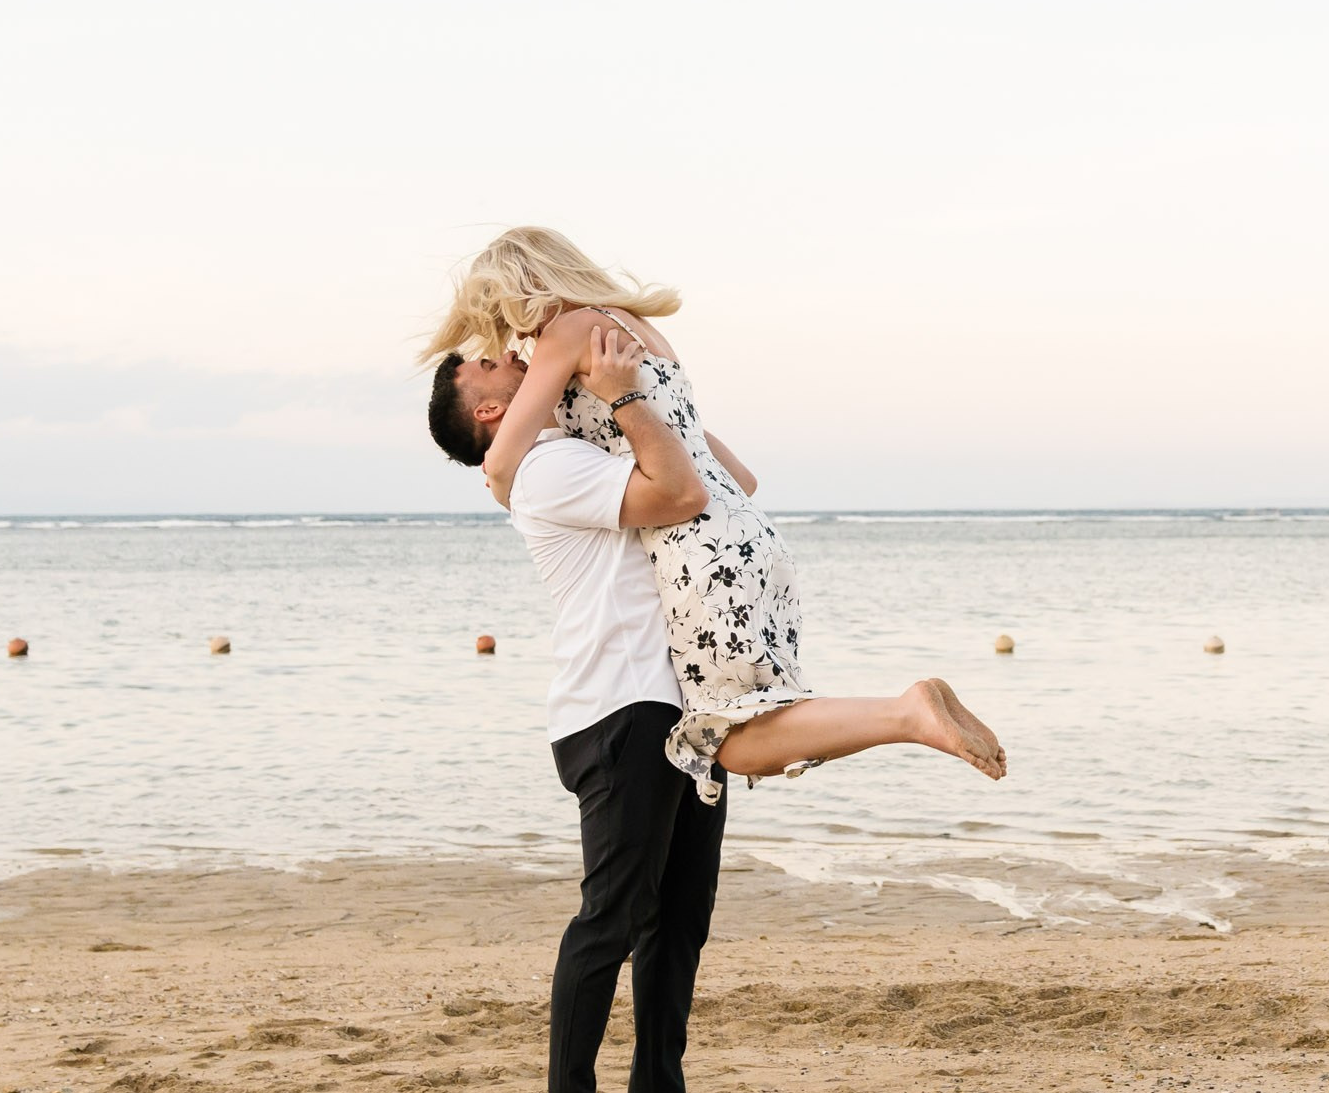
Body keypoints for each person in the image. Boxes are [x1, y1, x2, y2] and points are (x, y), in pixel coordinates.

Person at [423, 226, 1007, 806]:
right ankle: (904, 715)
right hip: (748, 537)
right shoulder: (640, 330)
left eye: (500, 314)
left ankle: (907, 714)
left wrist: (508, 491)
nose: (511, 340)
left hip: (698, 553)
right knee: (748, 725)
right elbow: (741, 479)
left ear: (523, 289)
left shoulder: (570, 332)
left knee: (735, 739)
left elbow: (501, 464)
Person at [429, 323, 738, 1093]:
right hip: (618, 706)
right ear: (489, 410)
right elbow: (684, 495)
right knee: (614, 914)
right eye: (492, 361)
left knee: (680, 915)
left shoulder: (584, 444)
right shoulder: (545, 464)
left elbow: (732, 482)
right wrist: (627, 395)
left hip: (677, 703)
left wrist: (655, 402)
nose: (515, 353)